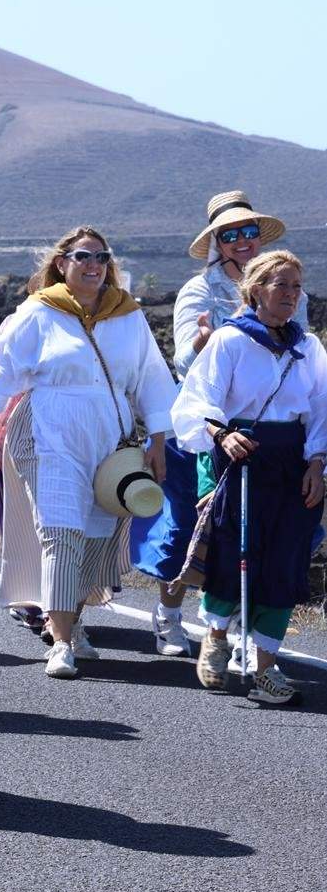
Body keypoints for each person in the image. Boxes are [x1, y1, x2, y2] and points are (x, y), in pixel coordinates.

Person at [0, 227, 174, 680]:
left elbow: (150, 378)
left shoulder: (129, 316)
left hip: (111, 436)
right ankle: (61, 643)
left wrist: (157, 441)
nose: (93, 264)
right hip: (50, 429)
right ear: (62, 262)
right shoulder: (39, 312)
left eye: (101, 257)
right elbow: (0, 375)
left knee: (97, 534)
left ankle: (69, 618)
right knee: (61, 530)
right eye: (83, 256)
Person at [170, 251, 325, 704]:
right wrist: (220, 434)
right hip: (241, 456)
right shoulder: (230, 341)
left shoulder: (309, 348)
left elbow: (320, 410)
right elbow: (199, 399)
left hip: (292, 464)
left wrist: (318, 463)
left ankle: (266, 667)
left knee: (285, 558)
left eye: (297, 287)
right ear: (255, 289)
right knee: (234, 550)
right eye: (281, 286)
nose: (291, 296)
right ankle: (216, 635)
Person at [142, 192, 287, 656]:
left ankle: (229, 627)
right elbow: (183, 356)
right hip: (205, 427)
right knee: (189, 523)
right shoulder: (199, 291)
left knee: (253, 530)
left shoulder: (284, 287)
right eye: (231, 235)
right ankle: (168, 616)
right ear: (218, 243)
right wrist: (204, 341)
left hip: (263, 429)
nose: (243, 241)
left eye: (249, 232)